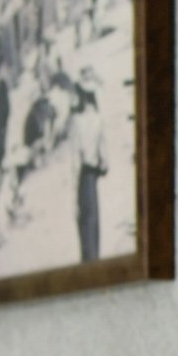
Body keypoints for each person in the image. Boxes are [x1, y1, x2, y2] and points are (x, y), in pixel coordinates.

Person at [69, 73, 108, 262]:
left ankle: (88, 260)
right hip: (93, 174)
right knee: (94, 219)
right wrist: (101, 165)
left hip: (83, 174)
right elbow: (105, 158)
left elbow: (75, 159)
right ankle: (94, 258)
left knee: (83, 220)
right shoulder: (98, 118)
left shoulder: (77, 121)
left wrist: (73, 188)